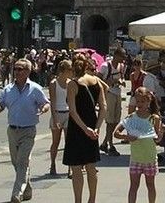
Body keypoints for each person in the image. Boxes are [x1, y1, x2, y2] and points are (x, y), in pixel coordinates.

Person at [0, 58, 50, 203]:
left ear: (28, 71)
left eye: (20, 69)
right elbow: (1, 105)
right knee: (16, 162)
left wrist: (43, 109)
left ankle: (16, 194)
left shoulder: (35, 88)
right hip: (12, 130)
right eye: (15, 69)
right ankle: (27, 189)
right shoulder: (8, 89)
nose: (16, 72)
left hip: (28, 130)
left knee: (22, 161)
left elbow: (45, 103)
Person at [64, 52, 106, 203]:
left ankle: (78, 201)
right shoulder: (96, 81)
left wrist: (84, 129)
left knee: (76, 169)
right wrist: (96, 127)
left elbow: (73, 111)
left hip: (77, 129)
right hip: (92, 126)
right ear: (87, 65)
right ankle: (92, 200)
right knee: (91, 167)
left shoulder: (72, 84)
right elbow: (103, 107)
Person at [114, 87, 163, 203]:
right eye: (138, 101)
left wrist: (161, 133)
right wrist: (127, 137)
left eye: (142, 101)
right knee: (133, 186)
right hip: (136, 158)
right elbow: (116, 133)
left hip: (150, 158)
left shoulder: (154, 118)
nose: (139, 104)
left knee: (150, 185)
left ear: (148, 101)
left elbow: (157, 140)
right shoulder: (131, 118)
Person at [98, 48, 127, 156]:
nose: (123, 59)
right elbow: (98, 80)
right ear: (116, 55)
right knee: (110, 121)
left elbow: (122, 77)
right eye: (122, 56)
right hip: (109, 93)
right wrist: (108, 82)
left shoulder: (121, 67)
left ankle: (105, 143)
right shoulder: (105, 66)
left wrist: (122, 82)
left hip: (117, 93)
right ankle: (110, 145)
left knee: (115, 121)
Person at [48, 59, 73, 176]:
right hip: (57, 113)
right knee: (56, 142)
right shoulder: (54, 83)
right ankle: (52, 164)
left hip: (68, 113)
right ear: (63, 71)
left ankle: (70, 167)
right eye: (70, 70)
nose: (72, 72)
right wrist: (55, 118)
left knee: (69, 142)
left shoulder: (70, 83)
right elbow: (52, 102)